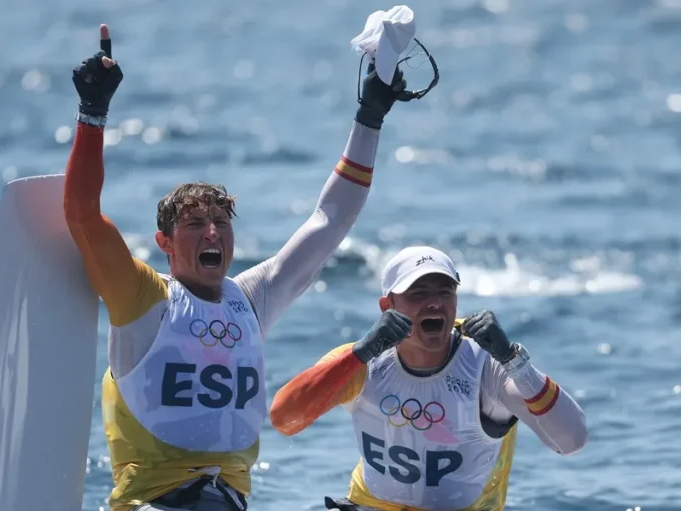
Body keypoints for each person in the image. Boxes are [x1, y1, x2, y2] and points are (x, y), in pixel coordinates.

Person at [63, 23, 417, 511]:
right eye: (195, 225)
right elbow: (82, 214)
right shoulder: (143, 298)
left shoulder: (251, 298)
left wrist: (370, 115)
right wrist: (92, 113)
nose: (212, 233)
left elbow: (331, 220)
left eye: (221, 222)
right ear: (164, 242)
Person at [270, 246, 589, 511]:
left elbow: (572, 441)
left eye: (445, 291)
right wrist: (358, 354)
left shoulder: (487, 366)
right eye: (418, 293)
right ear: (388, 306)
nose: (434, 302)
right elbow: (284, 419)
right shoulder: (361, 361)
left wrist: (514, 361)